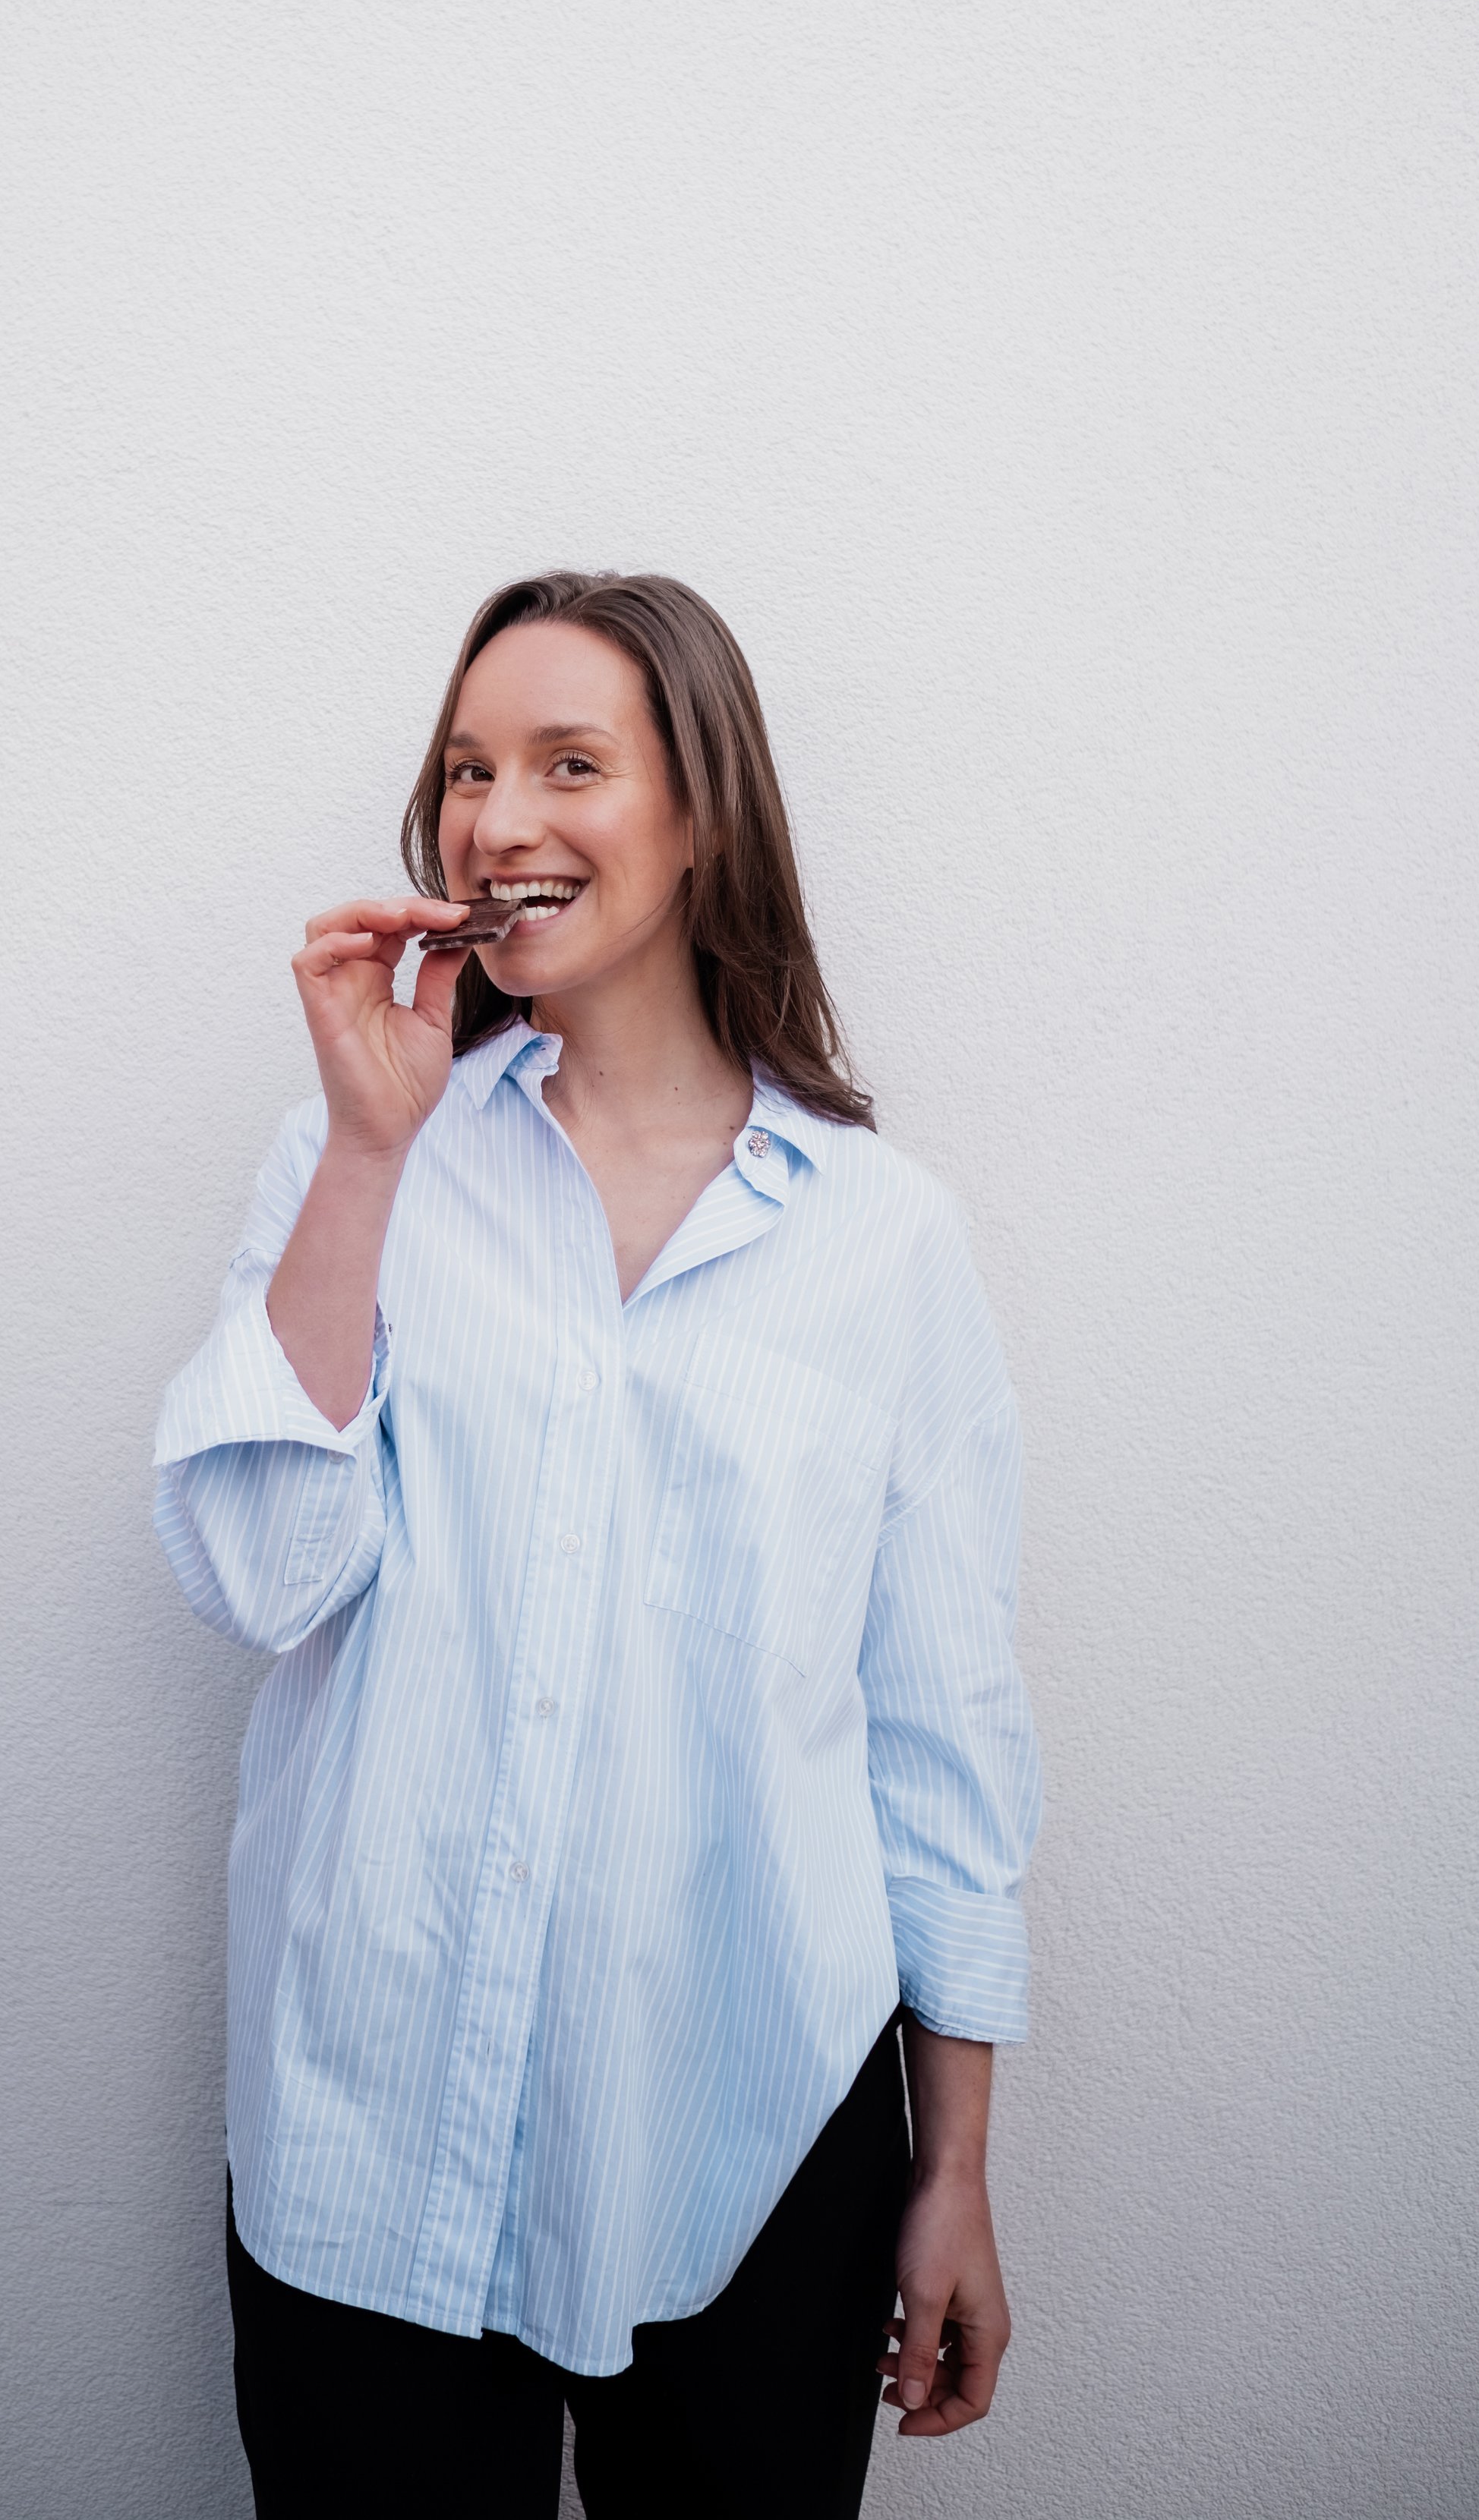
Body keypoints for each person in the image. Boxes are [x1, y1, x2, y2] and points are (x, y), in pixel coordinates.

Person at [154, 571, 1041, 2518]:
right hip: (367, 2131)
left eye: (571, 762)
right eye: (468, 770)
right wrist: (376, 1151)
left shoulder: (880, 1243)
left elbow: (939, 1734)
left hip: (746, 2132)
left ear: (701, 809)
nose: (498, 817)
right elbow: (259, 1581)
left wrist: (953, 2163)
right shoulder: (348, 1162)